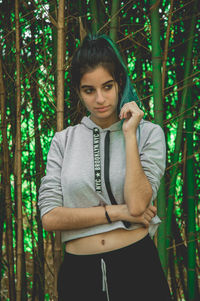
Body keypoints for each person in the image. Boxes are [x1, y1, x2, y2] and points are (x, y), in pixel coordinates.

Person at [38, 34, 172, 301]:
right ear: (78, 91)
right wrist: (119, 212)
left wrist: (130, 134)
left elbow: (138, 205)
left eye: (107, 87)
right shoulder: (63, 141)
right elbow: (50, 217)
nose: (100, 99)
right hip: (79, 276)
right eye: (89, 90)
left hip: (137, 269)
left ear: (119, 83)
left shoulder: (149, 134)